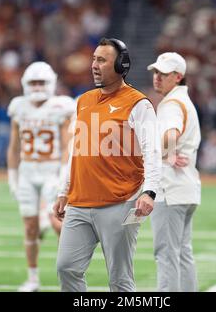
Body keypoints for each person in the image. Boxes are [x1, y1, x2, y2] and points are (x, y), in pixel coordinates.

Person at [53, 38, 161, 292]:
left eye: (101, 60)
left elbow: (153, 151)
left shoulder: (138, 103)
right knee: (66, 267)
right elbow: (76, 150)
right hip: (79, 201)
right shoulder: (84, 100)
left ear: (121, 65)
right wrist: (63, 190)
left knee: (119, 279)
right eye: (93, 59)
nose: (94, 65)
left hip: (120, 201)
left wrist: (150, 191)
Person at [7, 61, 75, 292]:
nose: (37, 87)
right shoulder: (19, 106)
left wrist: (63, 175)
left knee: (59, 224)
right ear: (26, 84)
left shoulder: (61, 106)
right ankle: (33, 279)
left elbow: (68, 146)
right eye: (33, 82)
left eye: (41, 82)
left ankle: (67, 277)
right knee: (30, 228)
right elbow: (14, 146)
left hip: (51, 171)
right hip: (27, 171)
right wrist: (12, 176)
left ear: (51, 83)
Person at [146, 52, 201, 292]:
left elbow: (171, 133)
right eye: (156, 72)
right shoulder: (184, 100)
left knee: (167, 255)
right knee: (182, 254)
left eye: (163, 74)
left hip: (169, 189)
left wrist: (163, 154)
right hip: (186, 187)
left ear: (177, 77)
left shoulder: (170, 104)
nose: (157, 77)